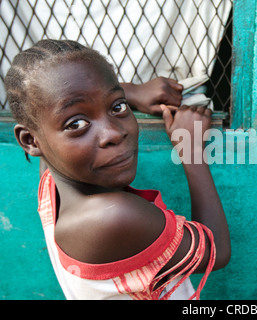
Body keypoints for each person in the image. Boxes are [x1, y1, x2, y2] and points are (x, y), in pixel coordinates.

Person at [5, 39, 230, 300]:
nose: (113, 133)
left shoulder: (51, 175)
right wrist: (190, 149)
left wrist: (131, 93)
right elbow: (217, 250)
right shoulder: (112, 217)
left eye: (117, 107)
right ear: (31, 140)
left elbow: (66, 98)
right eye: (76, 123)